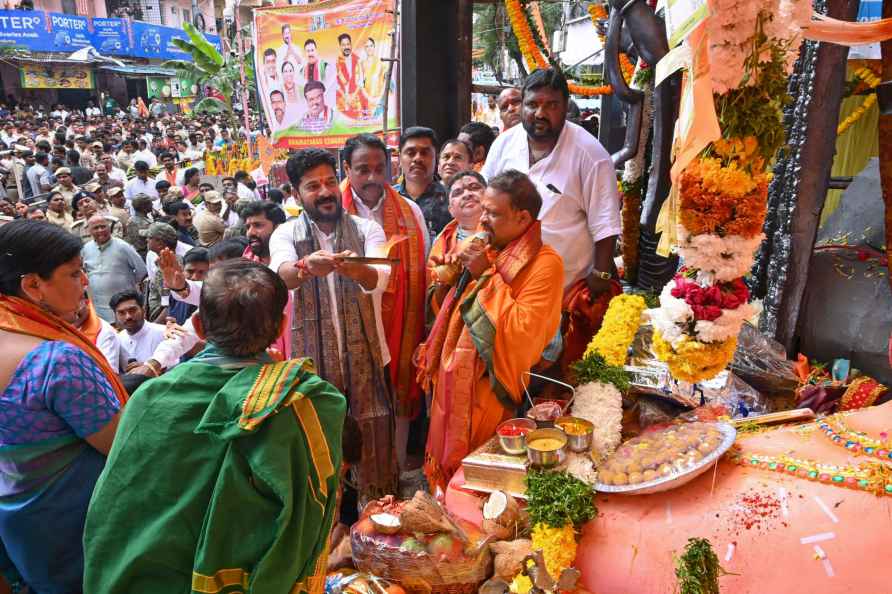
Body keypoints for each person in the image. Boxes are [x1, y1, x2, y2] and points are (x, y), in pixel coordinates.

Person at [83, 259, 346, 594]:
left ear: (199, 327)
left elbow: (117, 509)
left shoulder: (152, 398)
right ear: (282, 327)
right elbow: (304, 515)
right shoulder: (304, 402)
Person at [415, 170, 564, 493]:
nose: (482, 220)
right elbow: (447, 311)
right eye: (483, 210)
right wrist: (450, 278)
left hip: (493, 390)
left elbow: (522, 335)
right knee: (448, 481)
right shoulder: (484, 246)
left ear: (523, 218)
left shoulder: (546, 263)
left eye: (493, 213)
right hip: (452, 379)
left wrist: (485, 274)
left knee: (485, 487)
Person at [0, 220, 126, 594]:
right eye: (73, 273)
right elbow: (124, 446)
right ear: (33, 285)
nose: (84, 282)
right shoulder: (55, 360)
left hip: (21, 531)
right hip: (77, 536)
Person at [270, 148, 397, 501]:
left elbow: (381, 278)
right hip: (312, 368)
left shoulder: (366, 228)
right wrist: (306, 266)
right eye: (313, 186)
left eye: (329, 182)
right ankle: (327, 528)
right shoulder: (284, 234)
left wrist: (355, 268)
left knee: (374, 439)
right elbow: (281, 277)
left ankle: (377, 522)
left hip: (369, 359)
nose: (325, 192)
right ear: (296, 194)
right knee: (320, 446)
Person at [480, 68, 622, 370]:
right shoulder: (505, 144)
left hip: (562, 292)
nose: (540, 113)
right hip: (505, 284)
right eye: (532, 104)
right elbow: (486, 200)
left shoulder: (590, 154)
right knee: (504, 370)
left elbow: (606, 224)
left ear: (565, 106)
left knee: (548, 379)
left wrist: (599, 281)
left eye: (551, 105)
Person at [341, 134, 429, 473]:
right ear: (347, 169)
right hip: (351, 323)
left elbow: (422, 271)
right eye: (363, 169)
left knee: (397, 393)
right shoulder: (332, 212)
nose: (373, 177)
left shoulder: (411, 212)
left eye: (380, 168)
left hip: (400, 323)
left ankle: (392, 473)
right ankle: (356, 479)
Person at [426, 170, 486, 315]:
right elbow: (432, 306)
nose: (467, 194)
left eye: (474, 187)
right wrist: (443, 281)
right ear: (451, 210)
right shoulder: (441, 244)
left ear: (489, 196)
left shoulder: (505, 234)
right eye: (458, 192)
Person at [81, 214, 148, 322]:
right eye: (96, 228)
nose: (100, 230)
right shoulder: (86, 249)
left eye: (103, 226)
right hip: (99, 310)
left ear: (109, 227)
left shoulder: (123, 246)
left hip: (123, 309)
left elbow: (142, 271)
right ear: (89, 231)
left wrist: (127, 282)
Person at [395, 126, 450, 237]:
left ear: (436, 159)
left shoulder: (451, 200)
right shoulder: (388, 198)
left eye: (424, 153)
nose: (418, 158)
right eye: (411, 153)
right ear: (400, 159)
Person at [111, 289, 166, 368]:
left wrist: (150, 367)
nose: (128, 317)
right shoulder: (117, 340)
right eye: (121, 313)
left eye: (132, 310)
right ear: (115, 316)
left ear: (143, 310)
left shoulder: (163, 333)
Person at [168, 246, 208, 324]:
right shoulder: (176, 292)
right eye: (190, 271)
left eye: (201, 272)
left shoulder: (213, 300)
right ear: (182, 270)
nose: (194, 277)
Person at [336, 33, 368, 119]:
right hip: (342, 99)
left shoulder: (358, 60)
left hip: (357, 98)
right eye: (343, 45)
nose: (346, 47)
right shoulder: (336, 63)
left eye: (348, 44)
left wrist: (353, 96)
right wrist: (345, 96)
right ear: (340, 46)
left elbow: (361, 81)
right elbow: (336, 85)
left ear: (351, 45)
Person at [125, 194, 155, 258]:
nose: (152, 204)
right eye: (150, 203)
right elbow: (138, 243)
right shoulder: (133, 222)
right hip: (143, 254)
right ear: (143, 207)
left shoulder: (147, 217)